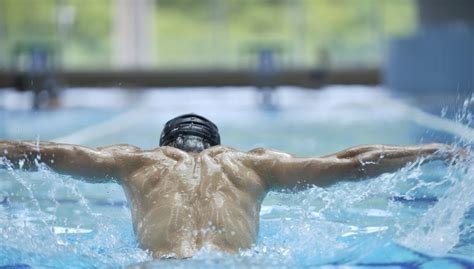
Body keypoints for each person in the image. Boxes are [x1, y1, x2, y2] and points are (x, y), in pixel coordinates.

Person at [0, 113, 460, 259]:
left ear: (166, 143)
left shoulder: (135, 161)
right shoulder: (253, 164)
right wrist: (433, 152)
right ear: (217, 143)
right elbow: (350, 163)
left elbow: (48, 153)